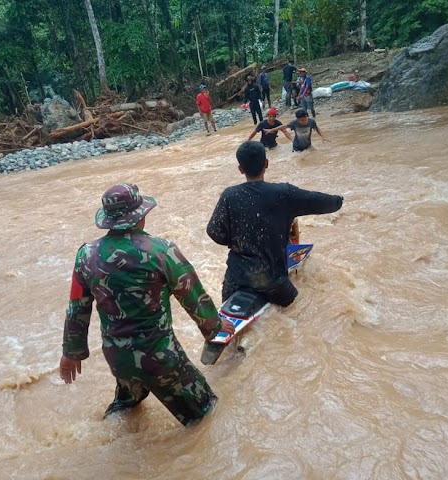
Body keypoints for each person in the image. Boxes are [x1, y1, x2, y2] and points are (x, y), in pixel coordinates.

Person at [60, 183, 235, 427]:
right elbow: (192, 295)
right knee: (206, 414)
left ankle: (110, 438)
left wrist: (71, 352)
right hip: (160, 357)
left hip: (117, 357)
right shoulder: (162, 251)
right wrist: (215, 328)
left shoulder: (86, 255)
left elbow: (77, 307)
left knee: (127, 403)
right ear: (140, 215)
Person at [206, 141, 344, 307]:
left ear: (241, 169)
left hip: (236, 279)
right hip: (273, 282)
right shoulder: (284, 193)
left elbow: (213, 230)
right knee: (296, 308)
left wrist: (235, 239)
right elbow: (317, 201)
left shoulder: (229, 195)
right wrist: (338, 201)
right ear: (266, 164)